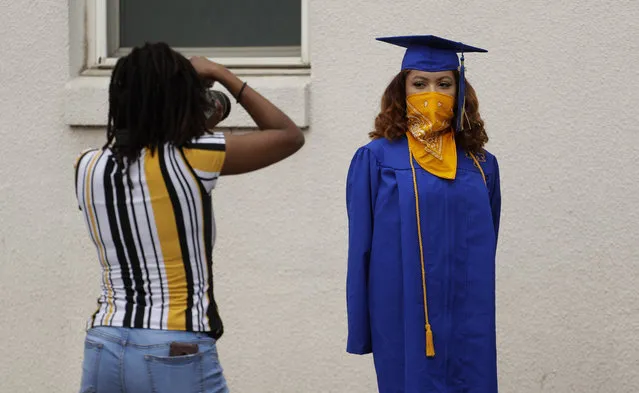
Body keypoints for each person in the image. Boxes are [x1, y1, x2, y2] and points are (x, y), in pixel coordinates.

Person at [74, 42, 304, 393]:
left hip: (104, 342)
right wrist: (220, 74)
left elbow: (151, 142)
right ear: (177, 101)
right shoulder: (195, 156)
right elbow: (288, 136)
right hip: (174, 344)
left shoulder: (87, 166)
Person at [345, 35, 501, 393]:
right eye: (420, 84)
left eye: (444, 84)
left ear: (460, 93)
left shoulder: (482, 166)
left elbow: (489, 241)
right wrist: (361, 328)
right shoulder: (376, 159)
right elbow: (360, 250)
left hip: (468, 313)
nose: (433, 93)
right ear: (402, 91)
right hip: (401, 310)